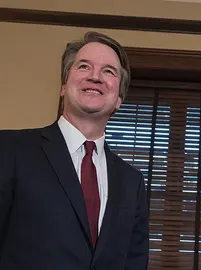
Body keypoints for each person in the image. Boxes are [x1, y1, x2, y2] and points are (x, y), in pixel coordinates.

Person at [0, 32, 149, 270]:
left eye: (108, 71)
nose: (95, 77)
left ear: (119, 98)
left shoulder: (132, 182)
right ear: (63, 86)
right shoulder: (9, 149)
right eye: (83, 66)